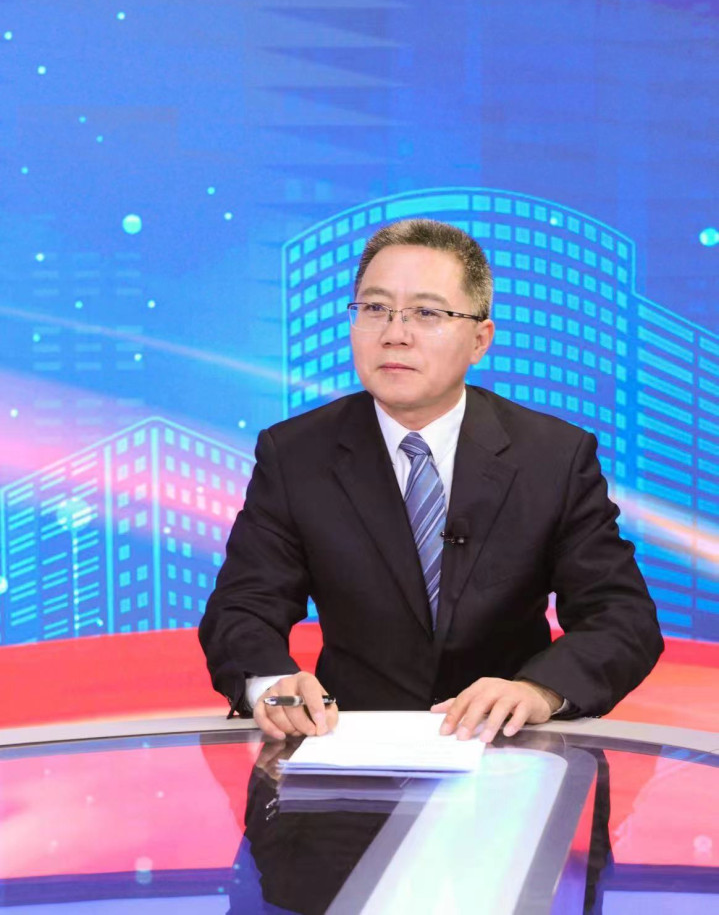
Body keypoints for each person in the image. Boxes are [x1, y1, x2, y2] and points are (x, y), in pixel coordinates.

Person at [199, 218, 664, 744]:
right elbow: (242, 608)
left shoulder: (554, 456)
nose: (394, 333)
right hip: (352, 754)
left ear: (480, 340)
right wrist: (271, 685)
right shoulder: (296, 454)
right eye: (375, 309)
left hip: (509, 751)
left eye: (426, 313)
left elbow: (621, 617)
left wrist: (539, 691)